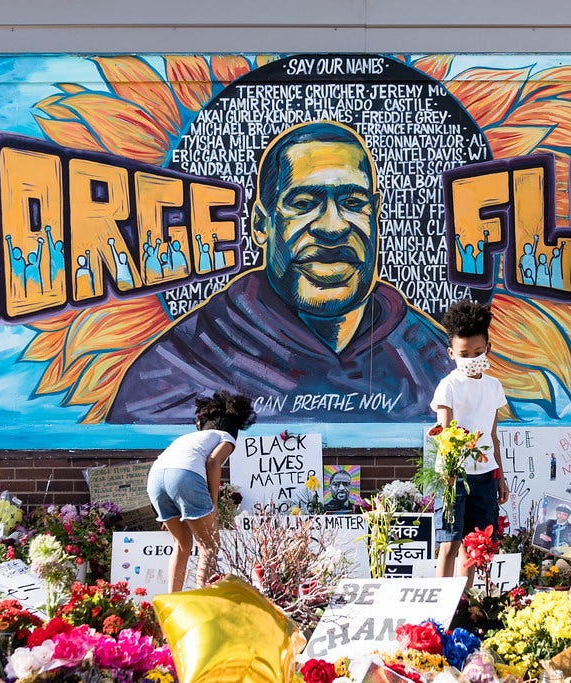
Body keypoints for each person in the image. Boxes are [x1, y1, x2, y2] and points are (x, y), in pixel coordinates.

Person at [106, 121, 453, 423]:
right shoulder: (179, 368)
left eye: (353, 203)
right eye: (303, 204)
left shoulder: (430, 358)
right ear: (261, 223)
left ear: (375, 215)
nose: (332, 228)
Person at [430, 300, 509, 586]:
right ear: (452, 353)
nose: (471, 358)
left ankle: (463, 603)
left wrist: (500, 477)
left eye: (477, 352)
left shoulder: (493, 386)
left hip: (485, 475)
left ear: (488, 348)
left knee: (474, 545)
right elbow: (444, 432)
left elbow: (493, 435)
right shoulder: (448, 386)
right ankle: (440, 602)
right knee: (449, 543)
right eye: (464, 354)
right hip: (453, 476)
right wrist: (448, 472)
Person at [146, 390, 256, 592]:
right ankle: (203, 599)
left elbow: (169, 472)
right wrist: (213, 503)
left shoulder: (189, 439)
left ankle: (173, 600)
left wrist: (166, 514)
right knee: (210, 545)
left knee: (181, 545)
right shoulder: (226, 437)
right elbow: (213, 462)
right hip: (184, 476)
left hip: (155, 478)